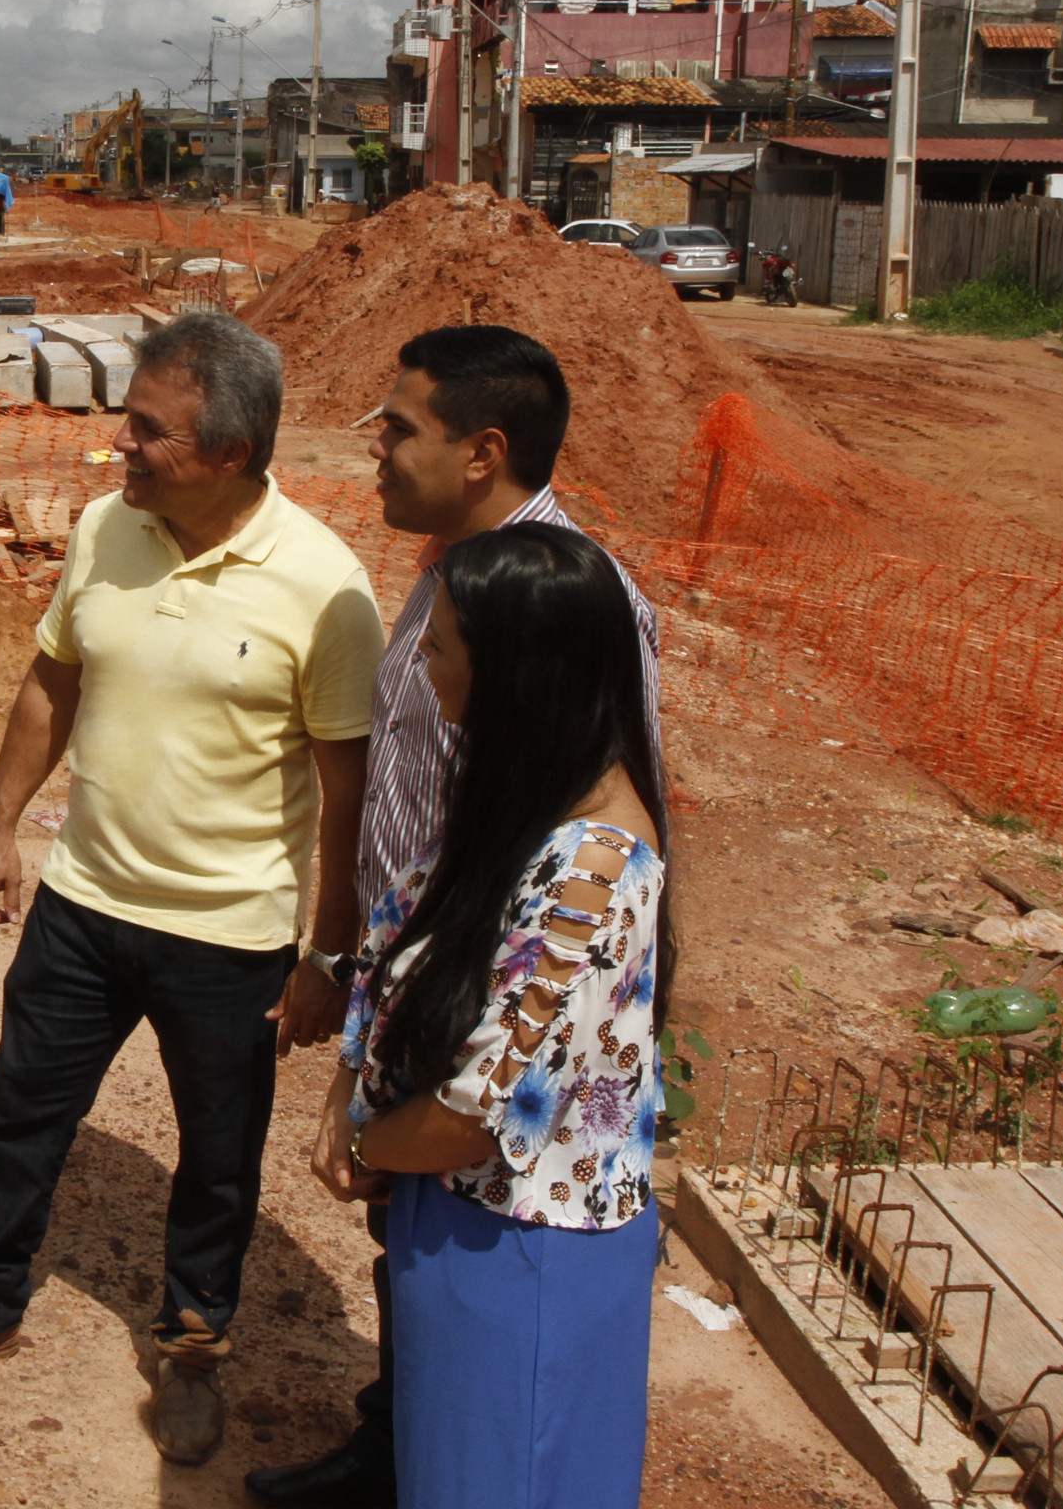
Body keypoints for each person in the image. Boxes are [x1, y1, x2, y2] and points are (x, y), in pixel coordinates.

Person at [0, 312, 386, 1469]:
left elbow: (349, 798)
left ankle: (194, 1343)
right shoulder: (107, 528)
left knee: (217, 1155)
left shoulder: (324, 585)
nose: (118, 448)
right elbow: (53, 678)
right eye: (124, 423)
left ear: (232, 453)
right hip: (83, 907)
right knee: (21, 1114)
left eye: (148, 431)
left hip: (230, 934)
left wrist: (327, 958)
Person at [247, 324, 662, 1509]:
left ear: (483, 451)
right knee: (447, 1397)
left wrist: (371, 1134)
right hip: (440, 1061)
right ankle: (400, 1455)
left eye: (398, 425)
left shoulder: (566, 608)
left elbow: (502, 1090)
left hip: (500, 1132)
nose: (372, 447)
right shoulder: (453, 569)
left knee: (505, 1439)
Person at [333, 520, 672, 1509]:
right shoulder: (532, 798)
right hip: (465, 1224)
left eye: (439, 648)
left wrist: (364, 1140)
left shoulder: (589, 879)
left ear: (516, 672)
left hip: (521, 1259)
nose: (423, 671)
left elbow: (471, 1116)